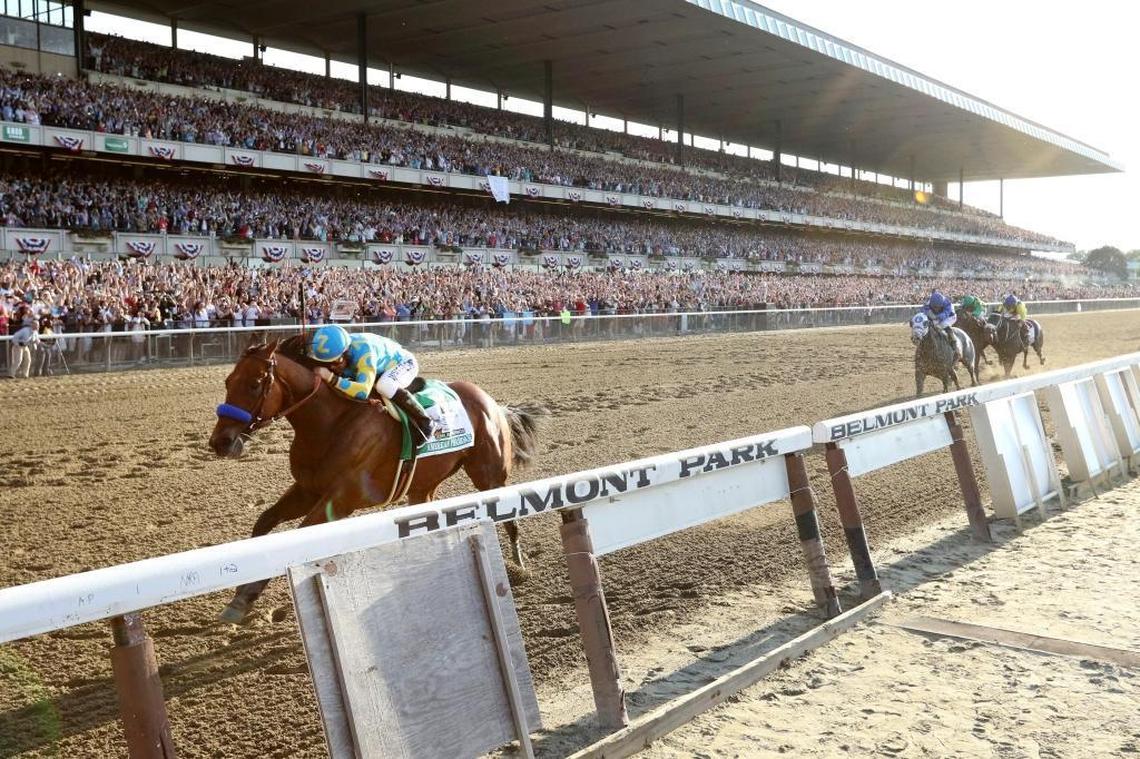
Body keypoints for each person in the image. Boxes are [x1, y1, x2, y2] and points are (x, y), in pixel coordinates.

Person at [307, 324, 436, 445]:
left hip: (404, 363)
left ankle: (426, 422)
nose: (332, 367)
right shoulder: (340, 350)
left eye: (335, 362)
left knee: (384, 386)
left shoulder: (365, 353)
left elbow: (363, 391)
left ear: (346, 351)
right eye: (328, 363)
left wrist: (331, 378)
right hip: (381, 369)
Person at [922, 289, 960, 361]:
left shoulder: (947, 303)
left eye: (938, 307)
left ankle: (955, 348)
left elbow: (946, 314)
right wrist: (929, 314)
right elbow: (924, 309)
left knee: (942, 326)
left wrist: (937, 317)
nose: (936, 309)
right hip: (936, 316)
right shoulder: (928, 301)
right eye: (934, 307)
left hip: (950, 317)